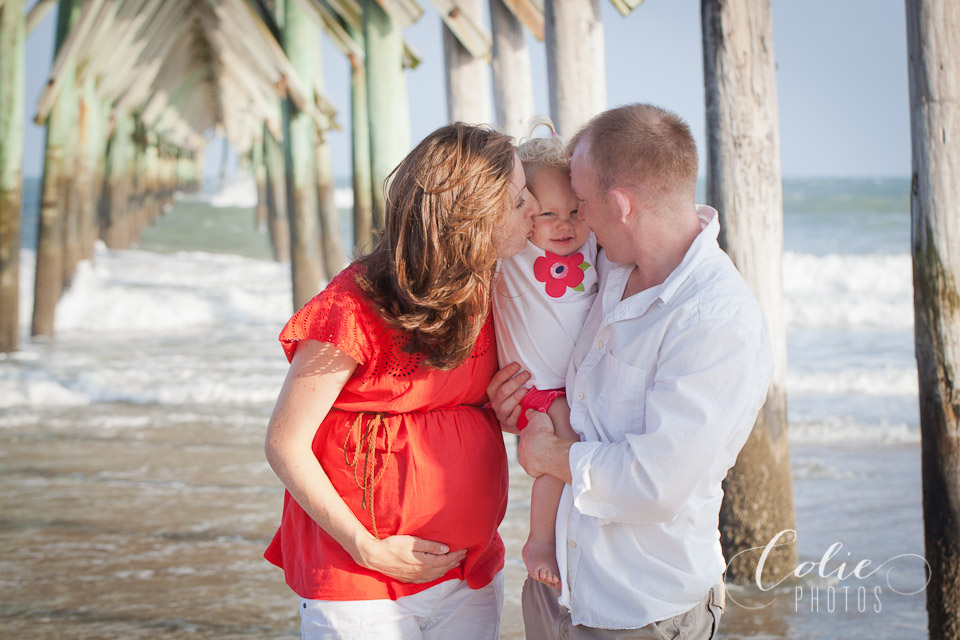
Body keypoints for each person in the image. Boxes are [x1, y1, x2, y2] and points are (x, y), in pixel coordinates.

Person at [488, 103, 775, 639]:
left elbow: (655, 481)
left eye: (582, 203)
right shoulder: (609, 269)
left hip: (639, 611)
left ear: (619, 205)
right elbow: (575, 392)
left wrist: (550, 455)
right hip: (557, 591)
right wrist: (519, 410)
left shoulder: (716, 322)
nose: (576, 219)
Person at [264, 123, 539, 640]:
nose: (535, 209)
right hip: (360, 578)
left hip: (469, 572)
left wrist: (504, 413)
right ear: (474, 215)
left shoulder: (491, 290)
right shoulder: (352, 304)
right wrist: (366, 547)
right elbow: (284, 442)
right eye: (519, 198)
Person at [491, 119, 598, 589]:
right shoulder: (513, 256)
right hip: (534, 389)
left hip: (576, 386)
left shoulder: (593, 243)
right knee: (563, 435)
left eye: (574, 210)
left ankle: (572, 534)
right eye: (548, 214)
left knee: (578, 438)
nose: (565, 225)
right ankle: (538, 541)